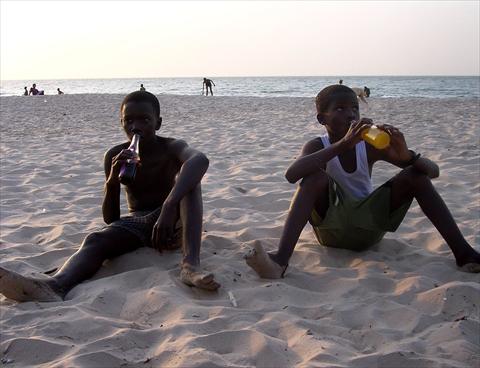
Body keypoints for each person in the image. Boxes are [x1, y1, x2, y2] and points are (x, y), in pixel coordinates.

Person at [0, 91, 220, 302]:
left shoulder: (171, 147)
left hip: (173, 223)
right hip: (139, 224)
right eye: (129, 121)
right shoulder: (115, 155)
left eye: (144, 120)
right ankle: (56, 286)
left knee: (191, 181)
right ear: (121, 123)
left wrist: (169, 206)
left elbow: (200, 160)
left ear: (158, 123)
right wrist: (112, 181)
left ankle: (190, 266)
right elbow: (111, 219)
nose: (136, 127)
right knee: (95, 240)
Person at [245, 84, 480, 278]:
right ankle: (280, 261)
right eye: (339, 108)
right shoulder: (317, 145)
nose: (350, 114)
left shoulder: (369, 146)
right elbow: (291, 174)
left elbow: (433, 172)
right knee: (314, 177)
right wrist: (342, 145)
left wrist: (408, 156)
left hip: (368, 228)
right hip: (332, 231)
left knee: (415, 176)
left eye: (354, 108)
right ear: (321, 119)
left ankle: (465, 254)